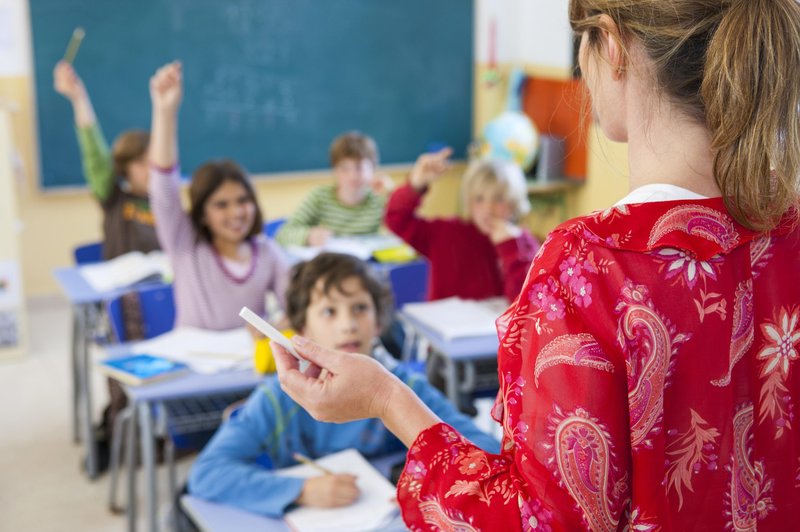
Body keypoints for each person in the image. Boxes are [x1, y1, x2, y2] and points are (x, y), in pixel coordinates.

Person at [272, 0, 800, 529]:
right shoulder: (788, 231)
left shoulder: (589, 268)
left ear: (611, 47)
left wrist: (387, 398)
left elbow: (539, 521)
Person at [187, 252, 499, 517]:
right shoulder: (276, 400)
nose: (348, 324)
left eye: (360, 308)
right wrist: (302, 490)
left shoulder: (404, 387)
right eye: (329, 311)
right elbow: (208, 473)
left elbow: (487, 452)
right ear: (302, 328)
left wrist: (431, 479)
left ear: (378, 322)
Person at [148, 61, 289, 330]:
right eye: (221, 205)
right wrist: (165, 112)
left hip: (246, 367)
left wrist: (285, 322)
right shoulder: (185, 245)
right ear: (202, 213)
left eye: (243, 201)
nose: (236, 212)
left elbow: (298, 304)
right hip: (193, 365)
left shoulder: (267, 252)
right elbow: (163, 185)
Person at [385, 149, 540, 301]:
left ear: (514, 203)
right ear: (469, 201)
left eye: (499, 198)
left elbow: (527, 303)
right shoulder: (445, 234)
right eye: (479, 199)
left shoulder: (523, 244)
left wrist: (510, 248)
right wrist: (415, 185)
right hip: (443, 323)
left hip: (493, 326)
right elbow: (397, 219)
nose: (488, 208)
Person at [53, 61, 159, 260]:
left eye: (153, 162)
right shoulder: (114, 197)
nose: (149, 170)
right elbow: (94, 152)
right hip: (122, 286)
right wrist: (79, 98)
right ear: (124, 167)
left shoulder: (165, 203)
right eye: (140, 163)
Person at [275, 131, 392, 247]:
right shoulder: (319, 198)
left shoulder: (379, 199)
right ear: (334, 170)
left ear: (373, 168)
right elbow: (282, 234)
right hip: (332, 263)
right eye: (344, 168)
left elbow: (405, 232)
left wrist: (390, 194)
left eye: (359, 167)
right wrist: (308, 236)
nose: (353, 176)